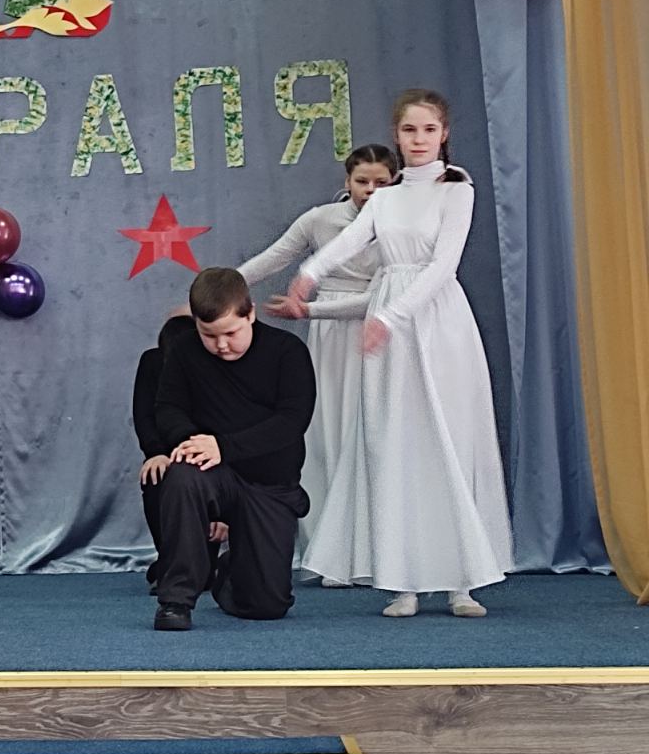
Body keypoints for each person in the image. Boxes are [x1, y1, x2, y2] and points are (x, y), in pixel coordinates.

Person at [290, 89, 513, 618]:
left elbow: (443, 266)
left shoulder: (456, 189)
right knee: (393, 445)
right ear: (397, 135)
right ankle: (403, 580)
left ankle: (461, 582)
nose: (418, 139)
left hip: (435, 322)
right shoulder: (386, 199)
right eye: (410, 130)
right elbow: (350, 242)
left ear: (443, 134)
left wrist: (390, 317)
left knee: (449, 441)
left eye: (428, 130)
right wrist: (309, 273)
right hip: (389, 321)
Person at [238, 144, 398, 585]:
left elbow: (376, 300)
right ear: (347, 182)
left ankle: (376, 553)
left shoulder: (400, 226)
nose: (370, 191)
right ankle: (332, 555)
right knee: (327, 437)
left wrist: (309, 311)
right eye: (362, 181)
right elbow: (273, 258)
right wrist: (222, 288)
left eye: (381, 183)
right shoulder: (319, 220)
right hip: (328, 342)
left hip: (375, 333)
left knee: (372, 438)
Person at [145, 268, 316, 631]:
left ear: (249, 313)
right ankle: (175, 601)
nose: (221, 345)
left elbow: (291, 422)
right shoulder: (184, 351)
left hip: (269, 483)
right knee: (182, 477)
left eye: (230, 333)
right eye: (209, 335)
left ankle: (228, 572)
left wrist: (224, 446)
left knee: (268, 606)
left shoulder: (287, 352)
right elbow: (168, 408)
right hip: (211, 472)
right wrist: (192, 443)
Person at [132, 313, 224, 593]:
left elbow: (219, 424)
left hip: (207, 453)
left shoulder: (215, 367)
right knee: (155, 476)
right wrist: (155, 452)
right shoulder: (152, 362)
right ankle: (171, 562)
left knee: (204, 574)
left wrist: (223, 514)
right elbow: (144, 413)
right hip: (168, 451)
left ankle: (192, 563)